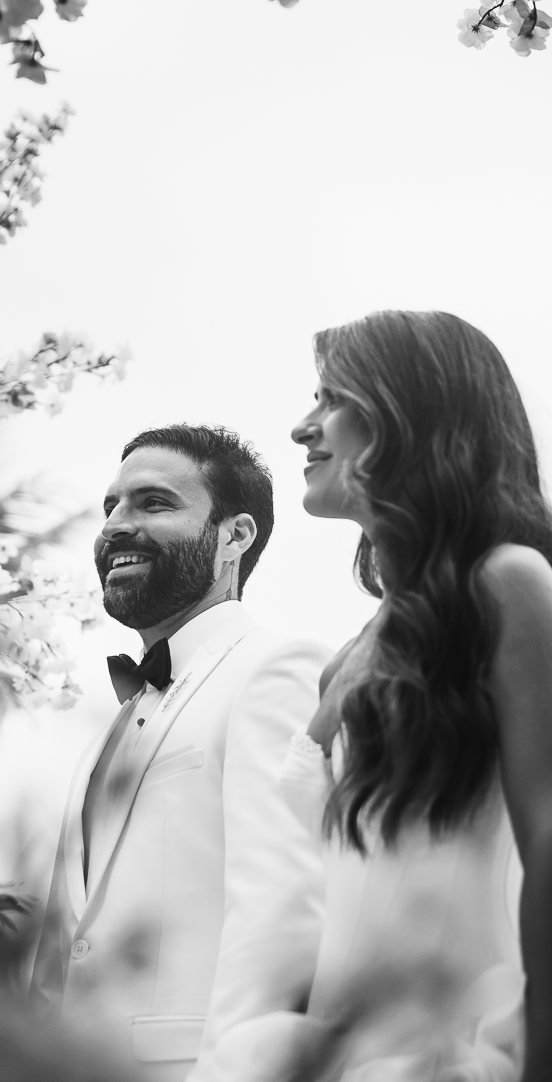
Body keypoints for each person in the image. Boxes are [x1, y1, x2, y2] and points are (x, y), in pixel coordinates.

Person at [213, 311, 552, 1082]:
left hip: (454, 1049)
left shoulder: (507, 583)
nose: (302, 428)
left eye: (331, 397)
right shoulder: (347, 659)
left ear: (410, 413)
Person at [30, 425, 326, 1082]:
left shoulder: (276, 670)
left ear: (234, 535)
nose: (115, 526)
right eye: (110, 506)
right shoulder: (108, 732)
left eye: (153, 503)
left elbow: (281, 920)